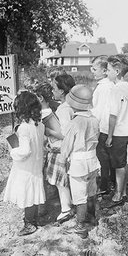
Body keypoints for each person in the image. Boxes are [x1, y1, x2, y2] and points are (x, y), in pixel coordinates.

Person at [59, 85, 100, 239]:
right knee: (91, 191)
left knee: (79, 196)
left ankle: (81, 226)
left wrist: (63, 161)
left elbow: (66, 146)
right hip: (93, 160)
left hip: (78, 164)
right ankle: (92, 217)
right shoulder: (95, 120)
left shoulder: (74, 123)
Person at [3, 91, 46, 236]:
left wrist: (12, 151)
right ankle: (33, 219)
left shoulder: (24, 128)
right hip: (36, 163)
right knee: (33, 192)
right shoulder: (39, 125)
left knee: (27, 193)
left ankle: (29, 223)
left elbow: (25, 150)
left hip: (26, 166)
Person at [104, 54, 128, 208]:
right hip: (127, 130)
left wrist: (109, 136)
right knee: (122, 161)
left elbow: (113, 116)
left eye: (108, 69)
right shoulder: (126, 86)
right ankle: (123, 191)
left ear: (116, 71)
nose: (106, 72)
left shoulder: (116, 89)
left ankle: (118, 194)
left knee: (118, 164)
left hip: (119, 131)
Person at [46, 73, 77, 223]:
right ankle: (71, 204)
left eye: (54, 88)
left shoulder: (64, 110)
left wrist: (47, 131)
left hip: (62, 150)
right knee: (67, 179)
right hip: (72, 148)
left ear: (62, 91)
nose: (52, 91)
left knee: (61, 181)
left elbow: (64, 134)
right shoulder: (72, 105)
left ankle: (66, 208)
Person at [90, 55, 116, 196]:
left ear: (105, 71)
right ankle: (111, 180)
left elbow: (98, 110)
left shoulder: (103, 88)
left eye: (95, 69)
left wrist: (93, 126)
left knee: (103, 157)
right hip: (109, 126)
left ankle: (105, 184)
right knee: (108, 157)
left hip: (103, 126)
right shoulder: (109, 85)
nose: (92, 71)